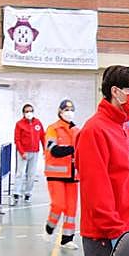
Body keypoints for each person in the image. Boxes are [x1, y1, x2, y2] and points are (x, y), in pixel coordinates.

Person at [76, 65, 129, 256]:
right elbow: (96, 190)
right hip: (106, 237)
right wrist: (115, 233)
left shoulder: (124, 129)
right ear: (116, 92)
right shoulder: (94, 130)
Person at [44, 99, 80, 247]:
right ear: (60, 111)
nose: (69, 113)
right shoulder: (53, 129)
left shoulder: (77, 130)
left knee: (71, 209)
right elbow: (53, 150)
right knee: (59, 204)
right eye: (66, 110)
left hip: (73, 175)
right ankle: (50, 226)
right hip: (56, 174)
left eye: (72, 110)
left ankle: (67, 239)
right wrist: (72, 149)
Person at [13, 103, 45, 203]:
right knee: (20, 173)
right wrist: (22, 152)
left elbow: (42, 137)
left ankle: (28, 193)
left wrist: (45, 150)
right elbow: (17, 140)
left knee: (31, 174)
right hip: (23, 152)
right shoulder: (19, 124)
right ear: (23, 113)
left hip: (35, 152)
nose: (29, 113)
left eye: (30, 111)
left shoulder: (38, 123)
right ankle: (17, 192)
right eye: (27, 111)